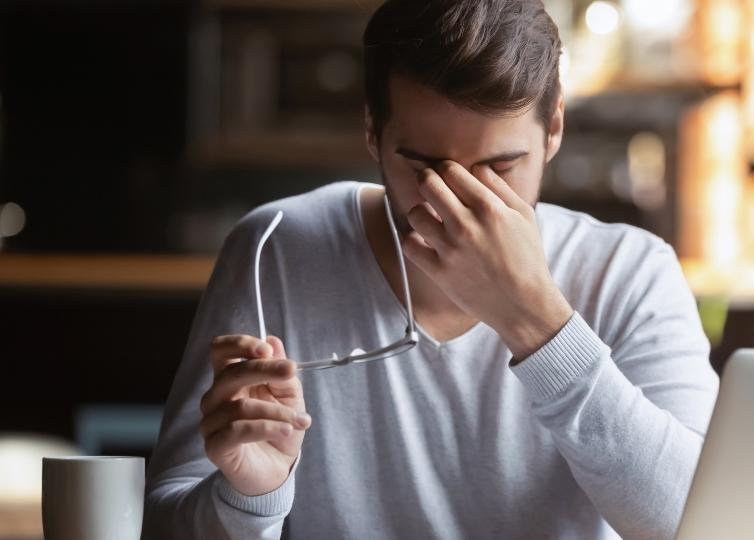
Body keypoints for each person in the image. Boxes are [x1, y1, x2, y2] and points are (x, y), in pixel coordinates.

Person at [144, 1, 719, 538]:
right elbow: (162, 518)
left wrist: (537, 323)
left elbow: (703, 524)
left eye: (499, 167)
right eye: (422, 165)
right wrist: (250, 497)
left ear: (554, 130)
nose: (455, 201)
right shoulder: (279, 247)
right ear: (373, 132)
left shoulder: (630, 273)